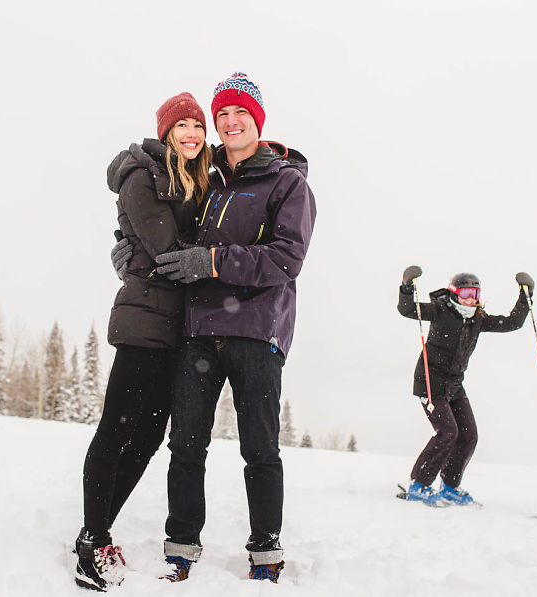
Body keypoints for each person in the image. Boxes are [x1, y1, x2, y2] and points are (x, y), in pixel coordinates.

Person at [152, 72, 317, 583]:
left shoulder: (287, 182)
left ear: (257, 119)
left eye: (239, 112)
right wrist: (128, 245)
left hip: (257, 331)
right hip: (200, 330)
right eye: (221, 114)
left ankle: (265, 551)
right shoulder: (206, 179)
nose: (229, 122)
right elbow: (168, 225)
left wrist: (215, 262)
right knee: (186, 443)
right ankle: (181, 543)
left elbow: (287, 258)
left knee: (260, 448)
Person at [74, 92, 212, 592]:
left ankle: (97, 529)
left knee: (149, 438)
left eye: (198, 125)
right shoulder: (143, 174)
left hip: (175, 328)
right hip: (143, 323)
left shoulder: (194, 179)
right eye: (183, 126)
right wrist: (218, 264)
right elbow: (167, 251)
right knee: (117, 430)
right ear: (167, 132)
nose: (193, 133)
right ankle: (92, 538)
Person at [397, 266, 534, 506]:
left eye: (475, 294)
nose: (471, 300)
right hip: (430, 381)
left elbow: (512, 322)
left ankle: (449, 486)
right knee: (448, 432)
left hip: (454, 385)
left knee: (469, 435)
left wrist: (526, 295)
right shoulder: (440, 310)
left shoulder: (477, 320)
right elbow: (408, 309)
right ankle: (418, 485)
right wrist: (407, 286)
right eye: (465, 294)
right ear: (453, 294)